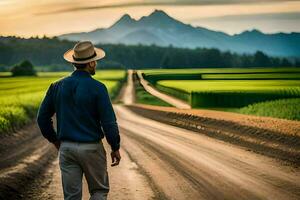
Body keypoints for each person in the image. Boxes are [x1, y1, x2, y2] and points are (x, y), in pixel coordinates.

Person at [37, 41, 121, 200]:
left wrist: (55, 141)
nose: (96, 64)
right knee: (98, 192)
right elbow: (109, 123)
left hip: (67, 149)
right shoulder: (98, 88)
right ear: (90, 63)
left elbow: (42, 118)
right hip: (92, 148)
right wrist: (115, 147)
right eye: (95, 61)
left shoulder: (56, 86)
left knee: (71, 197)